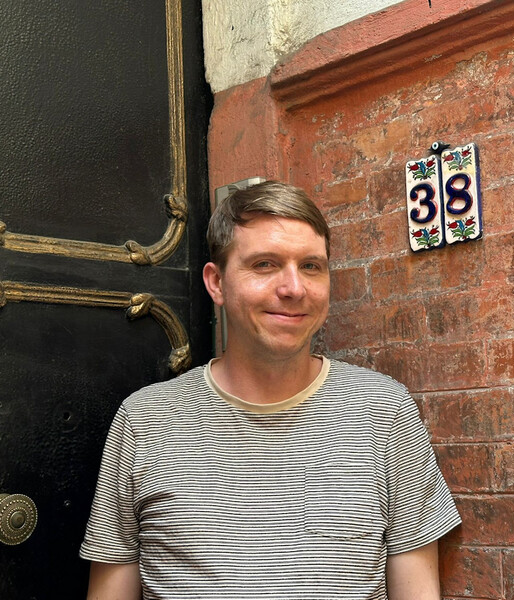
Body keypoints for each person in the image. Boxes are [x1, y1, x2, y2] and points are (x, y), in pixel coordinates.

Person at [80, 180, 460, 599]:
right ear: (217, 283)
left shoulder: (383, 411)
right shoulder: (145, 419)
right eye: (265, 264)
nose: (293, 288)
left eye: (311, 266)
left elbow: (418, 589)